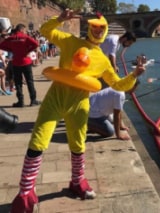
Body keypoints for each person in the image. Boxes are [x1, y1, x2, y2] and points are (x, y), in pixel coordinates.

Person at [10, 9, 146, 213]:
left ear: (105, 29)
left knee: (78, 143)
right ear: (89, 28)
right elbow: (45, 31)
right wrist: (60, 19)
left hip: (79, 103)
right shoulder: (70, 41)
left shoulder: (101, 60)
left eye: (101, 27)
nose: (97, 30)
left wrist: (134, 74)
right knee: (38, 141)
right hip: (55, 98)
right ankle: (25, 192)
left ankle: (77, 181)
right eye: (94, 26)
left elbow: (118, 85)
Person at [0, 24, 40, 107]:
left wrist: (11, 50)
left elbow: (1, 45)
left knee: (18, 82)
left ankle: (20, 101)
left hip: (16, 62)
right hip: (26, 61)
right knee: (30, 81)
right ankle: (33, 100)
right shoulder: (25, 37)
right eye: (24, 30)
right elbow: (36, 44)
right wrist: (28, 50)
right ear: (22, 29)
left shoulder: (11, 38)